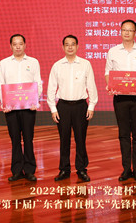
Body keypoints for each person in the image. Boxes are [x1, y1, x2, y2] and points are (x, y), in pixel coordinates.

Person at [105, 19, 136, 182]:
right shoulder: (113, 51)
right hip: (120, 98)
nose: (126, 32)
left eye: (130, 30)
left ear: (135, 32)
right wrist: (110, 85)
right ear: (120, 31)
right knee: (123, 134)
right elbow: (108, 73)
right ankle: (126, 169)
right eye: (124, 30)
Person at [47, 35, 98, 182]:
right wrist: (53, 109)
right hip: (62, 106)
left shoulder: (85, 64)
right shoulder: (57, 65)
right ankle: (64, 169)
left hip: (80, 106)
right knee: (64, 139)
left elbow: (91, 86)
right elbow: (51, 88)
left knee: (80, 139)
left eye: (73, 44)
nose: (70, 47)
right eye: (67, 44)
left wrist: (91, 105)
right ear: (63, 47)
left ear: (77, 46)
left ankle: (81, 169)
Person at [0, 34, 43, 182]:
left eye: (20, 44)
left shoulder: (33, 62)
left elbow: (38, 83)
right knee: (15, 139)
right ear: (10, 46)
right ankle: (16, 170)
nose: (18, 46)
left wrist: (34, 99)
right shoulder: (4, 63)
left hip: (29, 108)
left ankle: (29, 170)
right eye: (15, 44)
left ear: (25, 45)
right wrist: (5, 102)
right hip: (11, 109)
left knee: (28, 139)